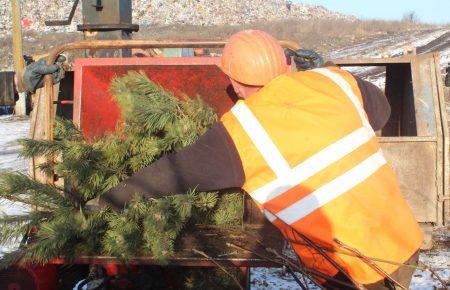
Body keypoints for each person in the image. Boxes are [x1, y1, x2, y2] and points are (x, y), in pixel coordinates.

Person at [22, 30, 423, 289]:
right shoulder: (335, 83)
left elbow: (169, 174)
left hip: (354, 266)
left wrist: (105, 202)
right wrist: (321, 70)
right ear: (287, 64)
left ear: (230, 81)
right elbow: (380, 108)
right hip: (401, 237)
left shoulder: (242, 132)